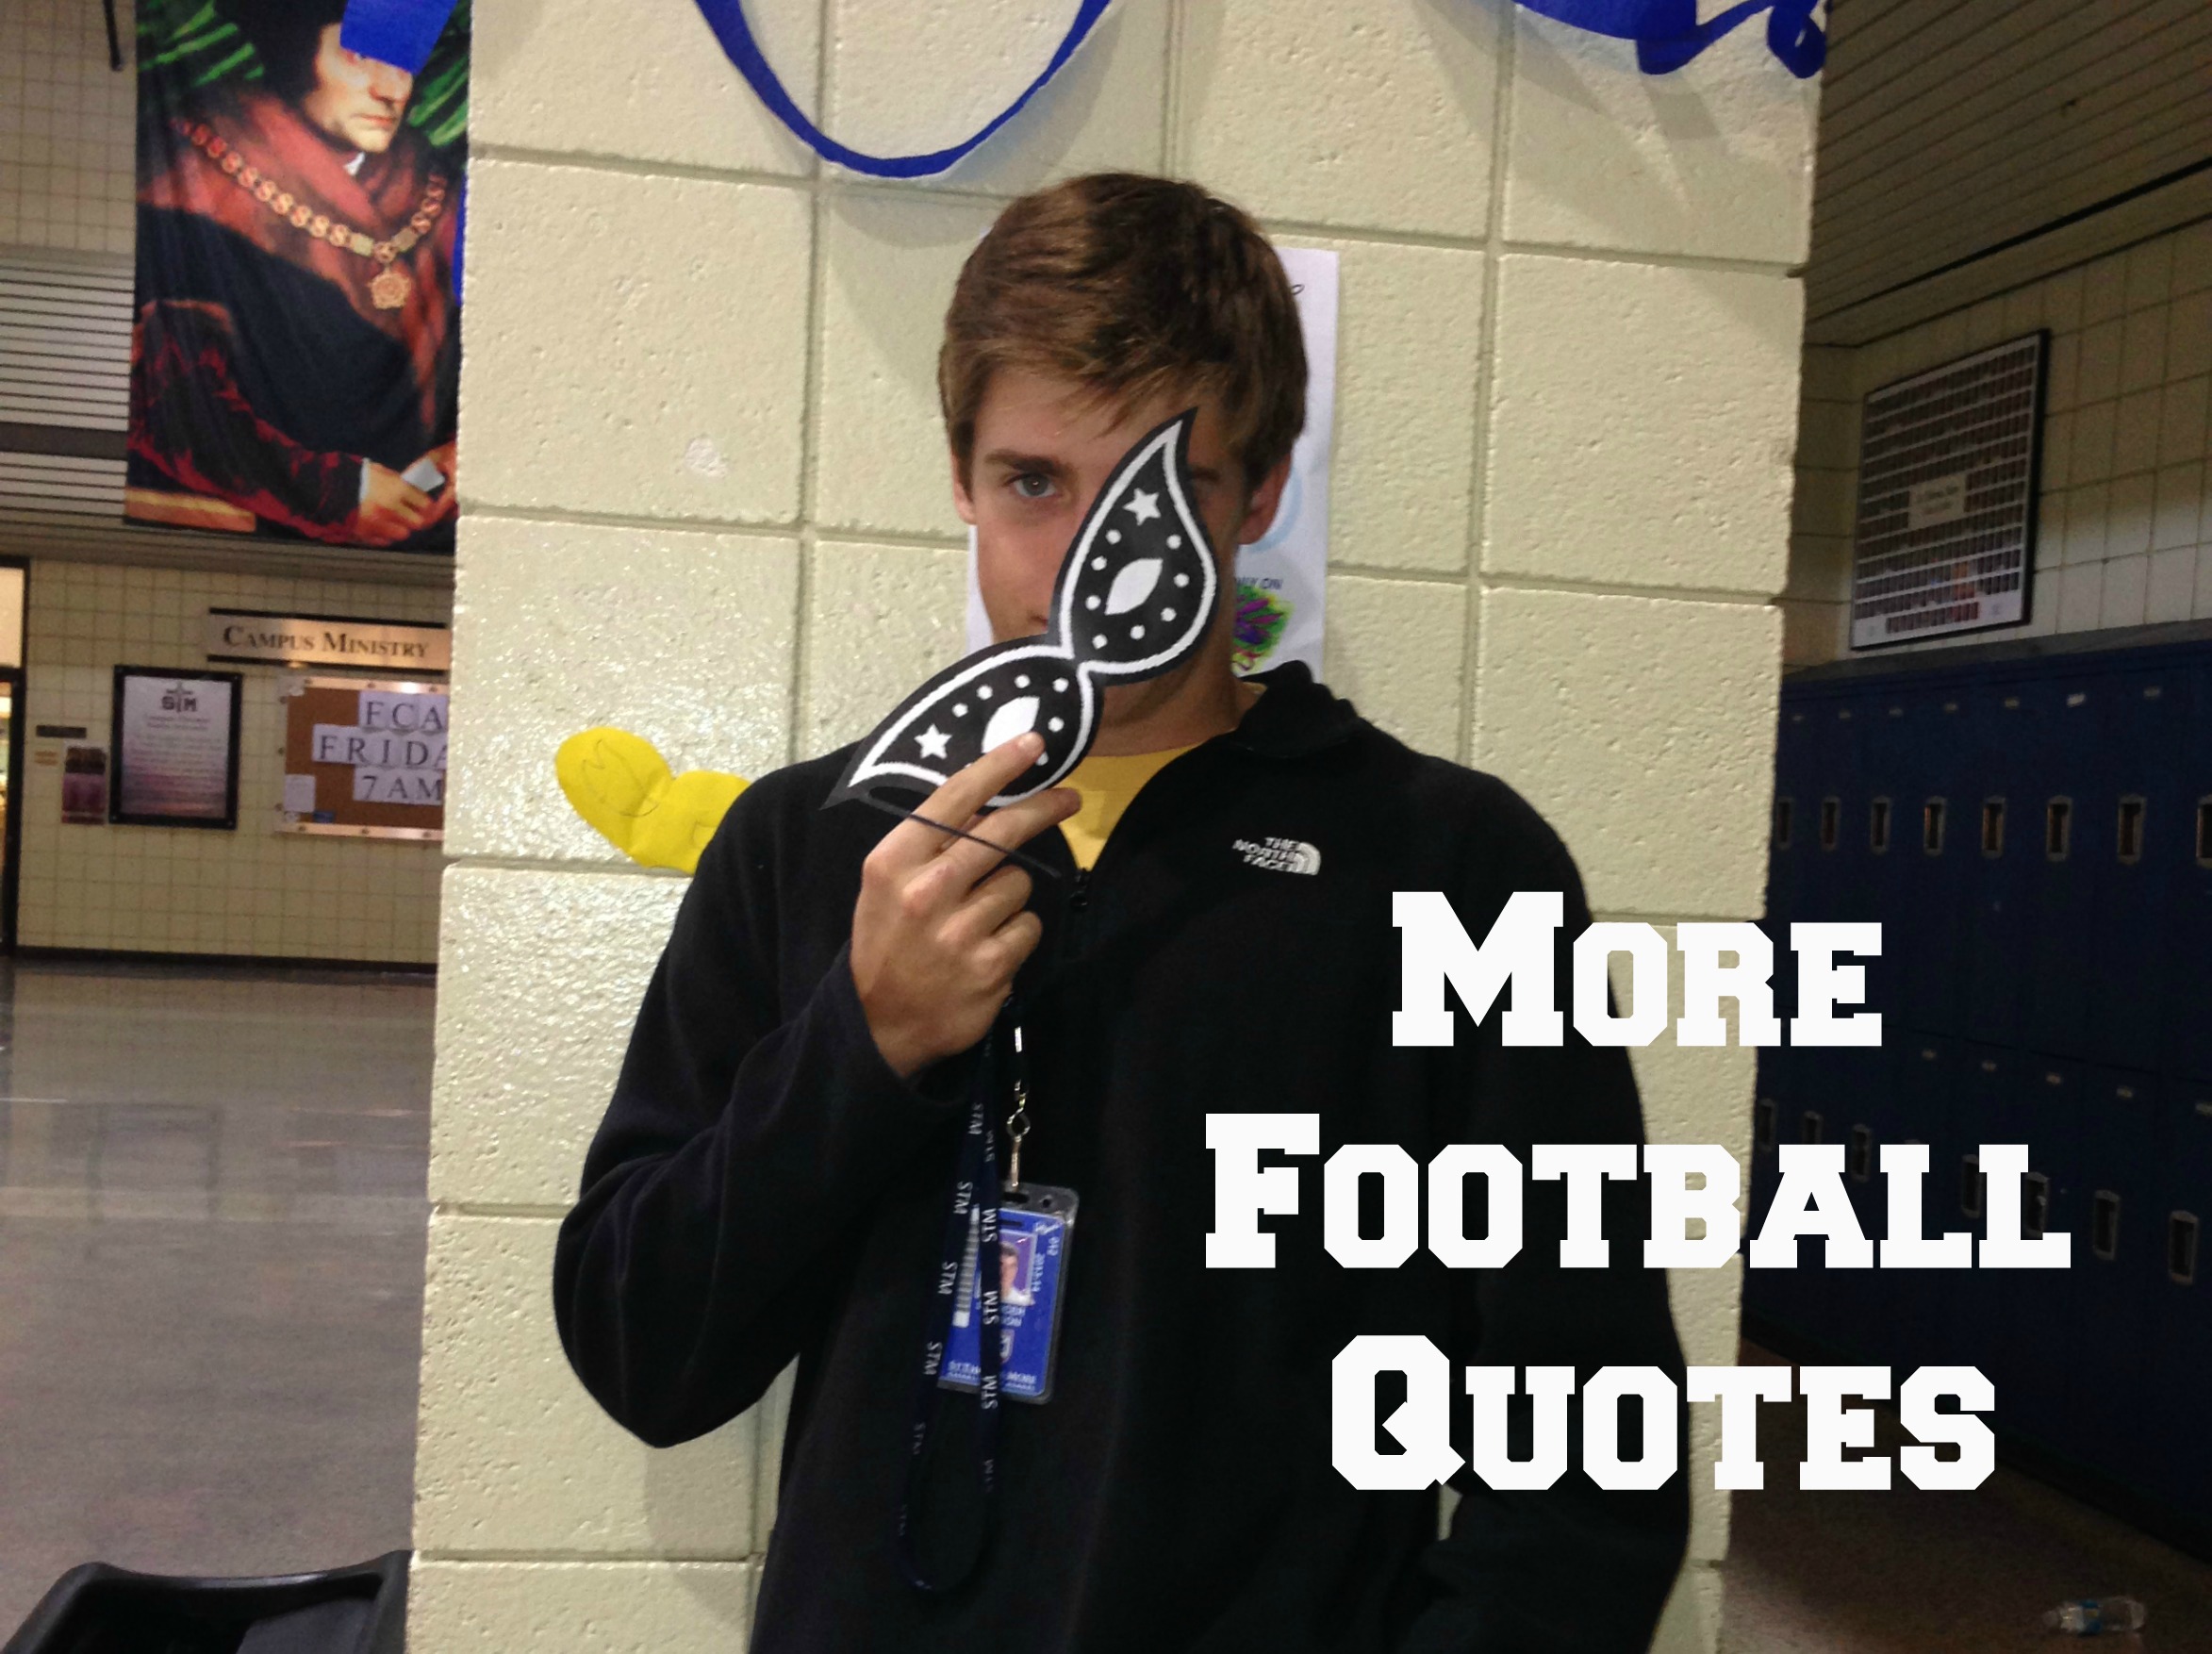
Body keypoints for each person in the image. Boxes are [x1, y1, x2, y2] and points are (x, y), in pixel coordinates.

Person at [555, 174, 1689, 1652]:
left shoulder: (1453, 865)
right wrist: (862, 1046)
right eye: (1035, 484)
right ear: (960, 477)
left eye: (1163, 490)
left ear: (1259, 492)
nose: (1092, 570)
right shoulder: (805, 843)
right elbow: (643, 1352)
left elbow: (1588, 1454)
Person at [126, 0, 459, 549]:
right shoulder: (186, 172)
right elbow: (171, 398)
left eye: (404, 62)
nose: (391, 91)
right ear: (295, 49)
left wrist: (463, 451)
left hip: (417, 537)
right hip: (240, 545)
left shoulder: (435, 187)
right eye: (360, 56)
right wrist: (334, 493)